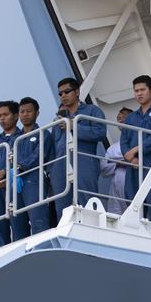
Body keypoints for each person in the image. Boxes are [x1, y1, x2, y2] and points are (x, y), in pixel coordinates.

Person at [48, 77, 106, 219]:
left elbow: (100, 132)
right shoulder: (59, 119)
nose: (63, 96)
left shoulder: (92, 110)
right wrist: (52, 169)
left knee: (87, 201)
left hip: (84, 160)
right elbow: (54, 146)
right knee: (62, 208)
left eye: (67, 92)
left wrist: (74, 126)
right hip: (61, 164)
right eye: (60, 94)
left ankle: (92, 232)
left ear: (77, 92)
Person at [120, 75, 151, 224]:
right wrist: (130, 157)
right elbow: (124, 141)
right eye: (136, 91)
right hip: (134, 166)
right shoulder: (131, 118)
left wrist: (135, 149)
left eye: (142, 89)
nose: (139, 93)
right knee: (132, 202)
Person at [0, 100, 29, 247]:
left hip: (17, 184)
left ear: (16, 116)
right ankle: (3, 249)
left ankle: (21, 249)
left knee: (18, 219)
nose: (2, 118)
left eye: (6, 114)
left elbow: (25, 159)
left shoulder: (23, 136)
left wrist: (6, 173)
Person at [15, 97, 50, 236]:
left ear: (37, 113)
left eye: (28, 111)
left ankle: (42, 246)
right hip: (17, 181)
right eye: (22, 111)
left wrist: (20, 166)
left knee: (38, 218)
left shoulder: (43, 134)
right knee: (17, 220)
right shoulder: (15, 138)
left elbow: (39, 155)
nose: (25, 114)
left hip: (35, 179)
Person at [99, 107, 132, 215]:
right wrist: (118, 163)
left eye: (124, 117)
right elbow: (103, 168)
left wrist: (115, 162)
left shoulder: (139, 142)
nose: (121, 120)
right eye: (119, 118)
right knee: (114, 216)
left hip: (132, 184)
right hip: (115, 189)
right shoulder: (113, 148)